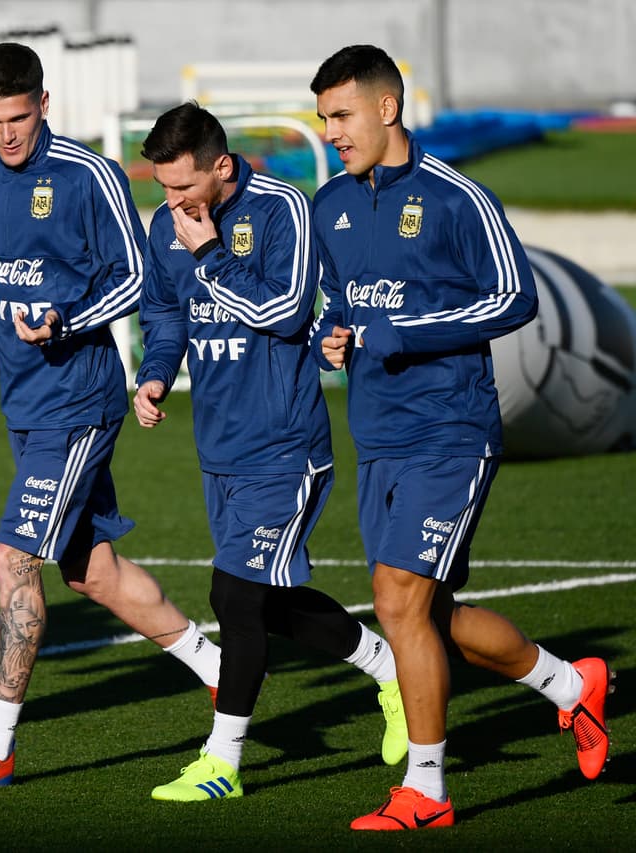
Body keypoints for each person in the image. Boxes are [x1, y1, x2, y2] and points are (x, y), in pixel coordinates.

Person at [0, 43, 224, 787]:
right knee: (92, 571)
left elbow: (137, 276)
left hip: (78, 401)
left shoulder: (87, 175)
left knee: (14, 561)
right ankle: (220, 667)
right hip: (24, 401)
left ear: (44, 104)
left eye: (18, 117)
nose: (7, 136)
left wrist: (66, 320)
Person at [308, 44, 613, 830]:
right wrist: (334, 338)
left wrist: (401, 331)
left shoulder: (456, 198)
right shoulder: (329, 204)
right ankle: (570, 686)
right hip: (376, 434)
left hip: (451, 430)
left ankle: (428, 791)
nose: (332, 131)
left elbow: (515, 298)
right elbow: (340, 306)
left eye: (341, 115)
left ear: (386, 107)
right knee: (429, 616)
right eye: (324, 119)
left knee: (396, 601)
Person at [133, 102, 407, 803]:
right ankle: (389, 669)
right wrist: (156, 373)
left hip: (286, 448)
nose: (173, 203)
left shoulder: (283, 208)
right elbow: (166, 316)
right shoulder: (168, 227)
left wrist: (210, 255)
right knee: (264, 601)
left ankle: (222, 761)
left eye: (183, 187)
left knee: (233, 596)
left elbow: (285, 314)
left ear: (221, 167)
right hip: (218, 450)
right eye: (163, 189)